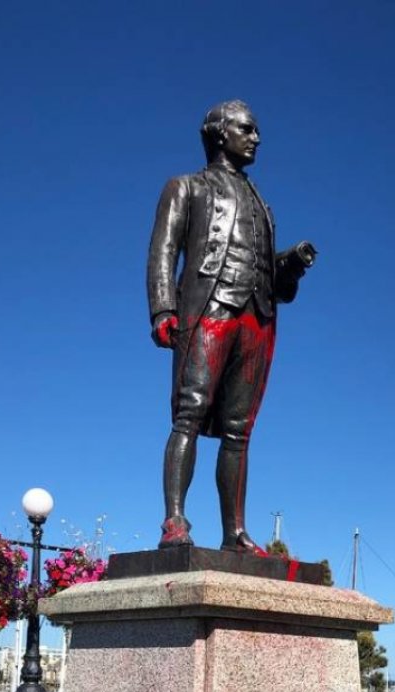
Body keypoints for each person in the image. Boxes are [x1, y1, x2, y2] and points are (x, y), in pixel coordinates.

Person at [147, 99, 315, 551]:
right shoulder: (185, 187)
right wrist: (164, 310)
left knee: (240, 429)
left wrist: (291, 266)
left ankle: (234, 533)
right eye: (247, 128)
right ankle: (175, 521)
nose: (256, 138)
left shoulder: (263, 203)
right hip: (208, 310)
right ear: (221, 133)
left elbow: (269, 273)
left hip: (257, 315)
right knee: (190, 411)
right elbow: (163, 251)